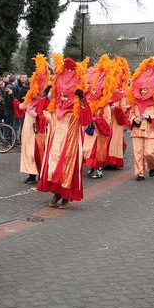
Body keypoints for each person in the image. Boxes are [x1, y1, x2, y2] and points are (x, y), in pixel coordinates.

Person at [37, 55, 92, 209]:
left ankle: (65, 196)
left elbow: (86, 119)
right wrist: (45, 95)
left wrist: (82, 100)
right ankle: (57, 193)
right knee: (53, 166)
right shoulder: (55, 107)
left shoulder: (76, 109)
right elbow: (41, 111)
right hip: (55, 144)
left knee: (66, 167)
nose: (63, 97)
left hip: (70, 146)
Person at [126, 57, 154, 181]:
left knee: (149, 153)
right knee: (137, 153)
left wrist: (149, 117)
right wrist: (134, 119)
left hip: (151, 131)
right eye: (142, 89)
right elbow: (130, 114)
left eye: (146, 89)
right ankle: (140, 173)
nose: (143, 92)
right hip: (137, 131)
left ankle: (152, 166)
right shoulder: (135, 102)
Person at [83, 55, 116, 179]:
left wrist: (96, 120)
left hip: (99, 132)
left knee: (97, 151)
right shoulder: (90, 102)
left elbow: (107, 120)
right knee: (87, 149)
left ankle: (98, 170)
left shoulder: (105, 105)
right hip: (90, 131)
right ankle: (92, 167)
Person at [19, 54, 49, 184]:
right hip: (28, 131)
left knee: (38, 152)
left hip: (38, 132)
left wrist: (37, 116)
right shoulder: (30, 100)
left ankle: (41, 174)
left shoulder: (45, 101)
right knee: (28, 151)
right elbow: (21, 106)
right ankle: (31, 175)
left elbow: (49, 118)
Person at [105, 56, 130, 170]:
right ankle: (105, 161)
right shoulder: (106, 93)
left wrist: (116, 108)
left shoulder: (122, 95)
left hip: (116, 121)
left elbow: (124, 108)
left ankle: (114, 161)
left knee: (115, 140)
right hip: (107, 120)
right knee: (106, 139)